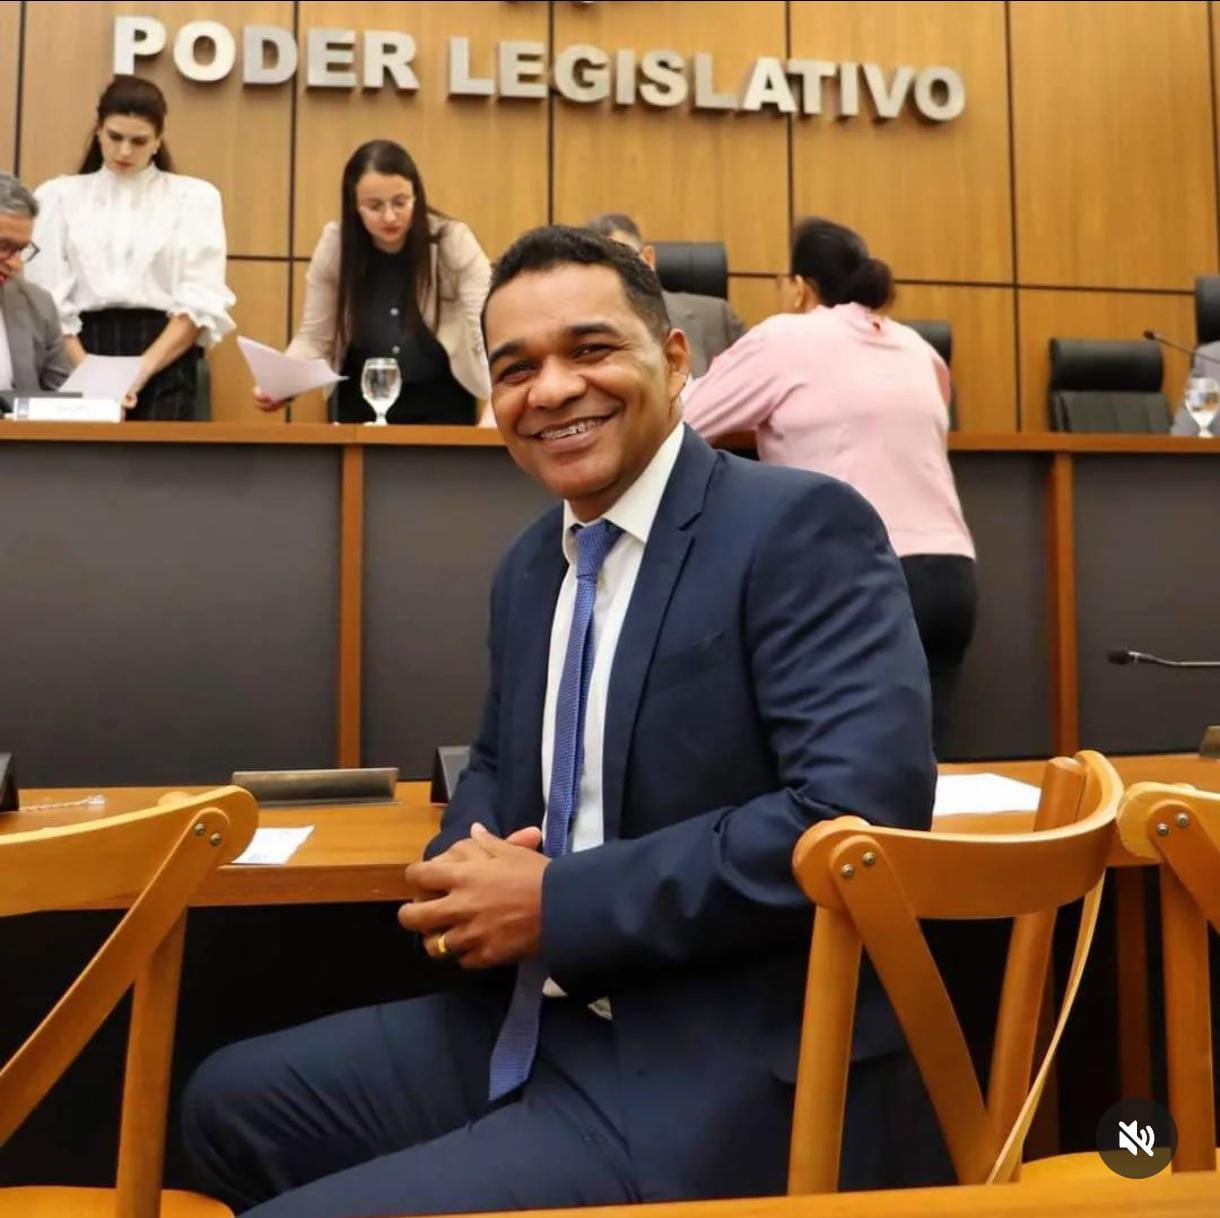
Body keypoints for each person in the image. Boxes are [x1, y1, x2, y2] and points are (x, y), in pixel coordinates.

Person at [182, 225, 943, 1217]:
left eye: (589, 350)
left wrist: (558, 904)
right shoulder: (532, 566)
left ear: (675, 359)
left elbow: (856, 816)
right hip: (537, 1018)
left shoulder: (797, 526)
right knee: (227, 1106)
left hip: (715, 1066)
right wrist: (466, 875)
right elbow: (499, 767)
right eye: (515, 369)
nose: (549, 390)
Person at [684, 217, 977, 754]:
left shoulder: (785, 337)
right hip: (950, 575)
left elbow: (682, 421)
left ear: (800, 287)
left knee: (847, 760)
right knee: (927, 762)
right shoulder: (919, 348)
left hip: (857, 571)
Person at [26, 75, 234, 420]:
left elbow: (200, 299)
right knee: (78, 455)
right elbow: (46, 299)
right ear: (98, 131)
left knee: (159, 454)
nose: (125, 151)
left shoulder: (195, 197)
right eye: (115, 137)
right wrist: (91, 376)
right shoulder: (57, 196)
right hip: (77, 351)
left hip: (165, 357)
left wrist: (139, 373)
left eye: (139, 141)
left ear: (158, 140)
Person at [257, 140, 490, 424]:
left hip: (444, 401)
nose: (389, 216)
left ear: (417, 196)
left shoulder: (452, 241)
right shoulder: (336, 246)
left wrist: (498, 398)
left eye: (400, 202)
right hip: (360, 404)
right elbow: (315, 338)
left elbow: (485, 330)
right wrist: (283, 381)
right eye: (374, 206)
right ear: (354, 205)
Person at [586, 212, 744, 377]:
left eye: (622, 262)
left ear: (648, 260)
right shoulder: (583, 334)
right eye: (597, 268)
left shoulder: (716, 317)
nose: (612, 276)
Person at [0, 173, 71, 396]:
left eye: (21, 250)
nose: (15, 263)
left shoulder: (39, 305)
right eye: (3, 246)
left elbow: (59, 400)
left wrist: (102, 406)